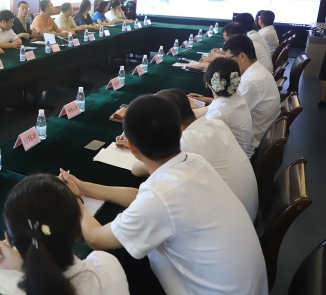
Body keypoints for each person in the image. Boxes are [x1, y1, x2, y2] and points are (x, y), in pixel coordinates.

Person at [60, 95, 268, 295]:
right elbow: (139, 197)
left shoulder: (160, 198)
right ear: (180, 132)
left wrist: (74, 200)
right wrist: (83, 187)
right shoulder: (194, 161)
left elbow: (95, 239)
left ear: (132, 148)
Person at [0, 174, 129, 295]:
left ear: (8, 238)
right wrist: (21, 264)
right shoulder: (108, 268)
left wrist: (24, 265)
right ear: (77, 231)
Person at [156, 89, 258, 221]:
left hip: (233, 218)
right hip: (248, 212)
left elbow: (140, 169)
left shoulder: (187, 142)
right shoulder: (217, 124)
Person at [189, 58, 254, 158]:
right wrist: (196, 104)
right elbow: (211, 108)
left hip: (236, 158)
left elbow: (198, 140)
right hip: (243, 154)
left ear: (208, 82)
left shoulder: (219, 112)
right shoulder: (236, 95)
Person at [223, 34, 280, 148]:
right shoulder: (257, 70)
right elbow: (229, 104)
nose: (226, 64)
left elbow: (225, 113)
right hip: (258, 134)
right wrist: (206, 100)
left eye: (229, 59)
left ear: (242, 56)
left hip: (250, 144)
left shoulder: (251, 81)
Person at [202, 22, 273, 73]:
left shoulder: (248, 46)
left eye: (226, 39)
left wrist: (208, 65)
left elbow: (231, 67)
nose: (226, 43)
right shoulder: (247, 42)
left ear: (235, 36)